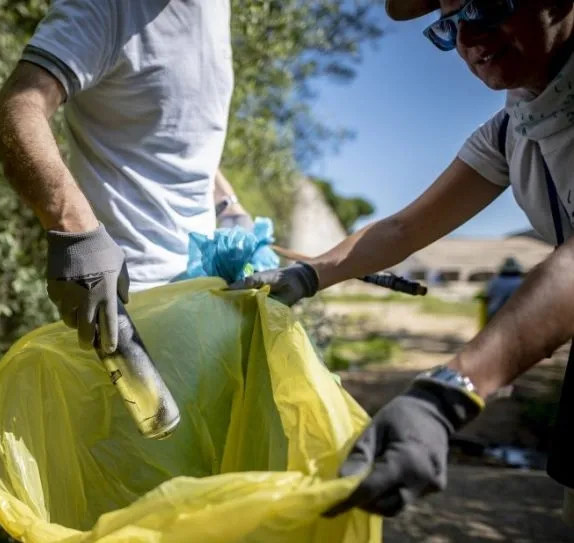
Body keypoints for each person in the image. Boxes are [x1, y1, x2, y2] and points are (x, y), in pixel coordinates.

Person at [229, 0, 574, 521]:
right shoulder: (513, 130)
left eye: (486, 5)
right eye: (450, 26)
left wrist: (448, 393)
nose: (470, 39)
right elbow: (404, 228)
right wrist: (307, 274)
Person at [0, 0, 253, 355]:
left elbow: (173, 128)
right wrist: (76, 232)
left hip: (209, 301)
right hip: (128, 312)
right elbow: (16, 111)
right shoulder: (106, 7)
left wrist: (229, 207)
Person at [482, 256, 526, 323]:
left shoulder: (494, 282)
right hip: (515, 315)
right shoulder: (520, 282)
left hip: (494, 314)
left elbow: (487, 299)